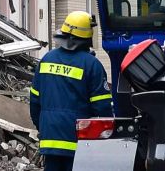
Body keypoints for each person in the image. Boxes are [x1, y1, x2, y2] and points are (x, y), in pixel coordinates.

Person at [30, 11, 113, 171]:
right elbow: (102, 107)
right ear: (88, 35)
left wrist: (43, 127)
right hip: (78, 141)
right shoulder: (92, 65)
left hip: (50, 139)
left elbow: (34, 101)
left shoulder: (47, 59)